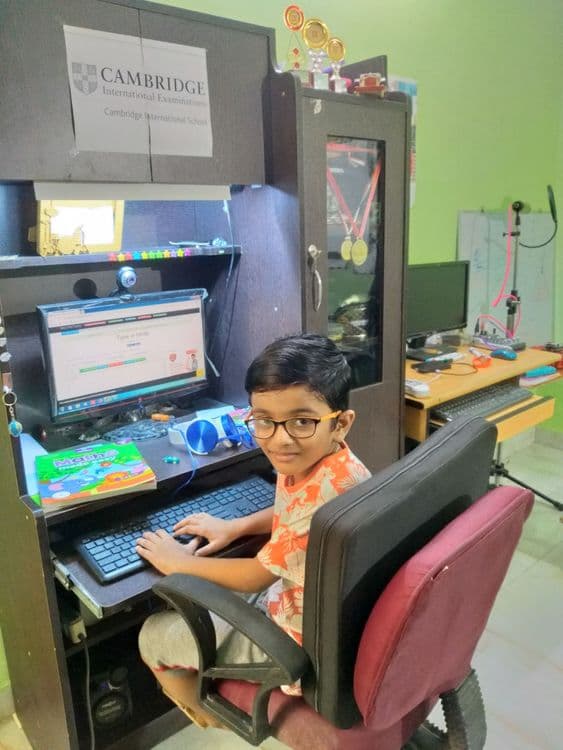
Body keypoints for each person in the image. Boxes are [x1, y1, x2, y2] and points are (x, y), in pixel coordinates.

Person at [136, 333, 371, 728]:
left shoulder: (322, 497)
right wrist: (236, 526)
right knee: (197, 596)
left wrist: (176, 563)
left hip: (296, 644)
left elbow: (254, 577)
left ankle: (208, 716)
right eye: (264, 420)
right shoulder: (330, 464)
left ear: (341, 423)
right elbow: (289, 511)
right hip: (307, 603)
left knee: (152, 635)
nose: (280, 439)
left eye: (301, 421)